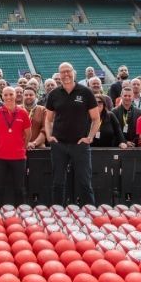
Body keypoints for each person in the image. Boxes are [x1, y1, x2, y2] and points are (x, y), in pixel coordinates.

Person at [44, 63, 100, 206]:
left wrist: (90, 137)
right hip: (59, 145)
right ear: (59, 75)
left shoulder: (86, 92)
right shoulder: (54, 94)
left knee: (84, 182)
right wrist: (49, 137)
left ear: (73, 72)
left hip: (80, 145)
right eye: (62, 72)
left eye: (68, 71)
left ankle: (91, 213)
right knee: (57, 183)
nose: (66, 74)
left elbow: (96, 118)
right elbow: (48, 119)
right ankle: (57, 212)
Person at [0, 86, 31, 205]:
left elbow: (28, 133)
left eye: (11, 94)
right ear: (2, 96)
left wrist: (23, 147)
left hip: (18, 157)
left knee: (19, 188)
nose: (8, 97)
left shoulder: (23, 112)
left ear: (15, 95)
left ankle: (20, 211)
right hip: (0, 157)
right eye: (6, 95)